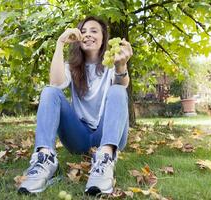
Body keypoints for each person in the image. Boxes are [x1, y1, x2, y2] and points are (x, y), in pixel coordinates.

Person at [18, 16, 133, 196]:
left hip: (107, 136)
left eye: (94, 31)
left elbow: (122, 83)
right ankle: (44, 159)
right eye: (84, 31)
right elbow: (55, 84)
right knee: (49, 92)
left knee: (118, 91)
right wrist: (59, 43)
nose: (88, 35)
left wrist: (121, 65)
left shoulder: (112, 63)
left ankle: (105, 159)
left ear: (103, 38)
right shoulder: (72, 67)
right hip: (78, 137)